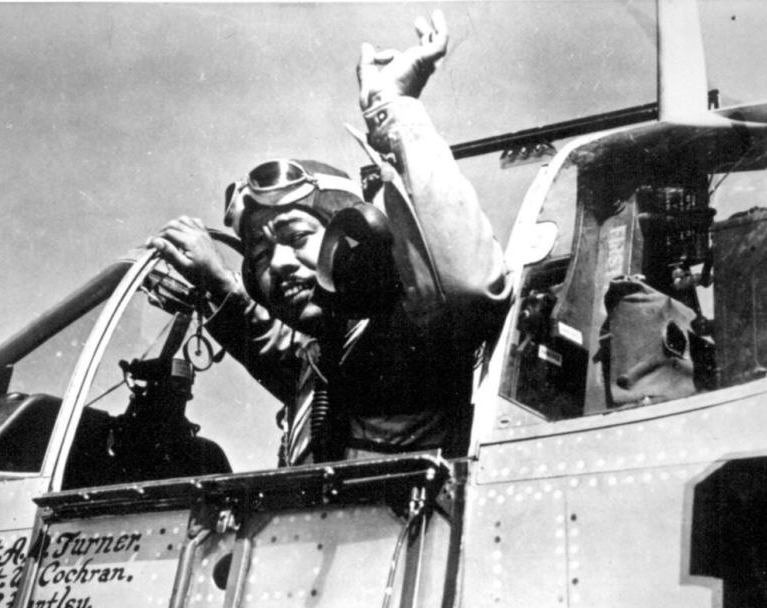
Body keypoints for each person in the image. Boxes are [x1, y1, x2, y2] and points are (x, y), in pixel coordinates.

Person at [147, 11, 511, 466]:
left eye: (296, 235)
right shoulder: (321, 360)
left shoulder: (413, 333)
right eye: (259, 256)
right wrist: (219, 286)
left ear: (351, 238)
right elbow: (271, 343)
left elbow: (466, 286)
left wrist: (393, 107)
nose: (276, 265)